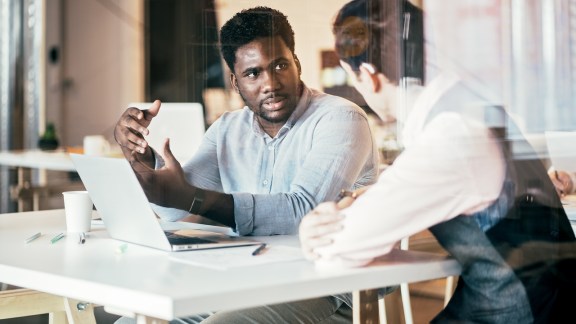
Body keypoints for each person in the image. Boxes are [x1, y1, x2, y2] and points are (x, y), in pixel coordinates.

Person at [300, 0, 576, 323]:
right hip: (547, 301)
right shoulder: (470, 105)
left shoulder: (449, 136)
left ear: (369, 75)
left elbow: (341, 247)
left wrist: (312, 227)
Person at [113, 6, 379, 324]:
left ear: (297, 63)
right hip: (244, 278)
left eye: (280, 65)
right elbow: (176, 208)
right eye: (253, 73)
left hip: (326, 285)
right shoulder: (227, 129)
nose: (270, 83)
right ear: (235, 82)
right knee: (131, 322)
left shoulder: (340, 118)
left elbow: (303, 212)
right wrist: (141, 157)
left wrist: (191, 197)